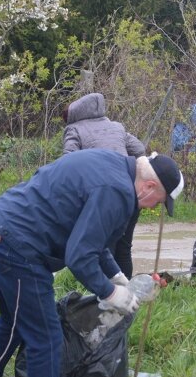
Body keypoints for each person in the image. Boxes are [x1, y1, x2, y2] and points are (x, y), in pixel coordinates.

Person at [0, 149, 184, 377]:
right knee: (45, 338)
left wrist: (116, 275)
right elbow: (79, 256)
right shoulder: (117, 191)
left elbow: (93, 238)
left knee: (12, 322)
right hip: (17, 243)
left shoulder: (116, 167)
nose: (155, 208)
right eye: (161, 202)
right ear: (150, 187)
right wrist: (109, 292)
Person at [63, 93, 147, 277]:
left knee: (103, 248)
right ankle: (127, 291)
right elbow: (140, 149)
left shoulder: (74, 129)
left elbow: (68, 162)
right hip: (130, 190)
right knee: (124, 247)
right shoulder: (116, 127)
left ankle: (104, 295)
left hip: (104, 195)